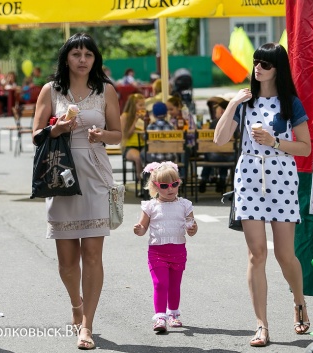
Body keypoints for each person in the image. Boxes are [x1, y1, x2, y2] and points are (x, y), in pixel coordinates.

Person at [214, 42, 312, 347]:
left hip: (282, 177)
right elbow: (219, 139)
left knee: (285, 254)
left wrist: (274, 141)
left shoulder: (290, 103)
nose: (258, 68)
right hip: (248, 178)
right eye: (256, 62)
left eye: (265, 64)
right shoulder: (245, 102)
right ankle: (261, 325)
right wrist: (232, 104)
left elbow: (306, 147)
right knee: (257, 253)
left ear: (277, 69)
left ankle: (299, 302)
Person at [32, 32, 121, 350]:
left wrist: (101, 135)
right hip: (61, 175)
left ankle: (87, 325)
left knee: (93, 255)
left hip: (96, 176)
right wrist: (55, 129)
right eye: (76, 54)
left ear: (95, 59)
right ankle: (76, 304)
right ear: (66, 58)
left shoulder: (106, 89)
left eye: (88, 55)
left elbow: (118, 135)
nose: (82, 60)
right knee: (67, 262)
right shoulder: (51, 90)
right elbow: (36, 134)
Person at [133, 161, 198, 332]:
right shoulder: (150, 206)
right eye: (164, 185)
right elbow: (142, 228)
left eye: (174, 184)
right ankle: (160, 316)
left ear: (179, 183)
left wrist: (192, 228)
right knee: (160, 284)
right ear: (155, 186)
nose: (170, 189)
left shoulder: (185, 205)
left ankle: (173, 314)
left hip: (178, 251)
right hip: (157, 252)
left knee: (174, 285)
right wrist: (139, 229)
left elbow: (191, 228)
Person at [199, 98, 235, 193]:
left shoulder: (214, 123)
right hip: (230, 157)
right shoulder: (234, 122)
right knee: (225, 153)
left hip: (213, 157)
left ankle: (204, 178)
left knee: (209, 153)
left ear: (222, 111)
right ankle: (222, 179)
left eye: (217, 110)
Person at [166, 96, 196, 178]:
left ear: (178, 107)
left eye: (171, 109)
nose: (169, 112)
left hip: (188, 145)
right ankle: (171, 177)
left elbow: (193, 133)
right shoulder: (169, 119)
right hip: (174, 146)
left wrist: (181, 133)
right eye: (168, 110)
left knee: (183, 150)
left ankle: (183, 177)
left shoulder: (187, 117)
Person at [120, 93, 147, 180]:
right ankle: (140, 181)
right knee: (138, 157)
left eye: (144, 105)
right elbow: (126, 135)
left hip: (142, 145)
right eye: (140, 105)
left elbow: (144, 137)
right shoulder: (125, 116)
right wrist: (135, 120)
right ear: (133, 106)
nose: (143, 107)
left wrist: (144, 122)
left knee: (150, 155)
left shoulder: (144, 117)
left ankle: (149, 179)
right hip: (129, 146)